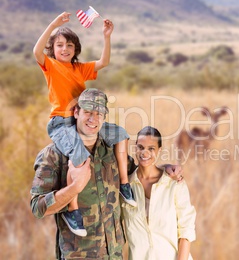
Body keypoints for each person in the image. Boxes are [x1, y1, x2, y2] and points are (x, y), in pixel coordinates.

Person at [30, 89, 184, 259]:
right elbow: (38, 207)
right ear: (76, 112)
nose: (92, 119)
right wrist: (75, 188)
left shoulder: (113, 151)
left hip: (115, 254)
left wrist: (165, 168)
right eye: (87, 112)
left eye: (99, 114)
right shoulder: (53, 155)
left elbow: (138, 174)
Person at [33, 11, 136, 237]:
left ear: (75, 49)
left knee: (121, 134)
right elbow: (36, 51)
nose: (65, 49)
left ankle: (125, 185)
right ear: (53, 49)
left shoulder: (79, 68)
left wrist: (106, 36)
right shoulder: (50, 66)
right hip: (62, 122)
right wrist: (54, 24)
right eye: (59, 45)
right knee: (79, 156)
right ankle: (73, 210)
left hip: (85, 120)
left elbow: (104, 62)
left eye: (70, 45)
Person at [122, 126, 196, 260]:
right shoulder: (126, 188)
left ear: (159, 151)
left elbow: (186, 230)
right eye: (140, 147)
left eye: (151, 148)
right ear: (135, 148)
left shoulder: (174, 183)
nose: (144, 153)